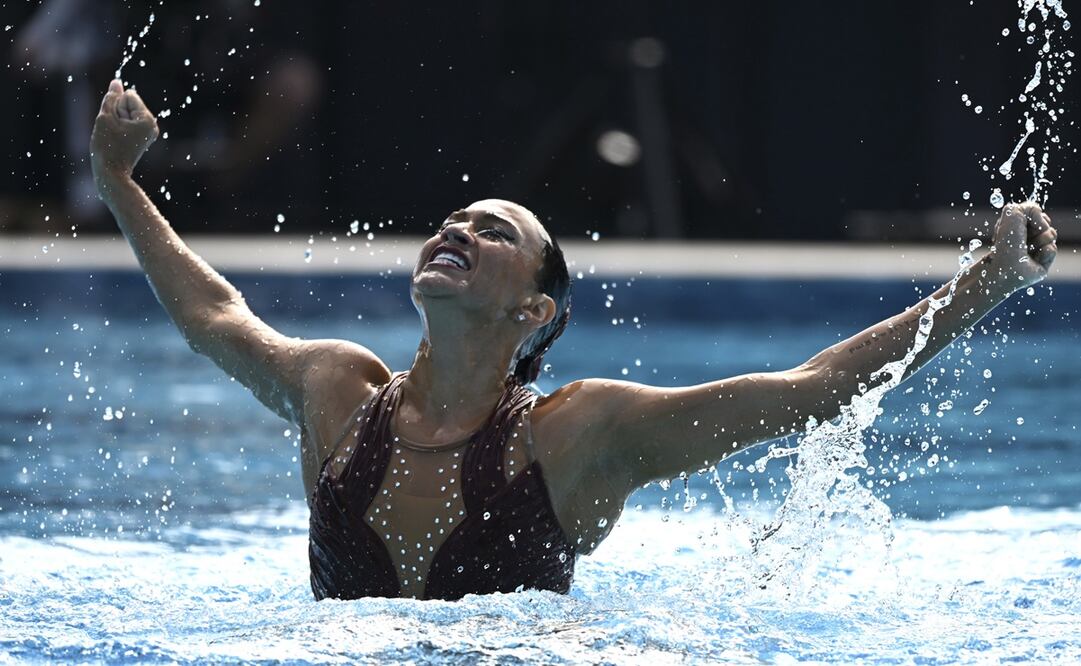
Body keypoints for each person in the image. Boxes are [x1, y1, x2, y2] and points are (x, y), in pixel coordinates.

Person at [90, 79, 1059, 600]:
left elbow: (810, 388)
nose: (457, 230)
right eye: (453, 220)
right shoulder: (337, 392)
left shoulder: (578, 434)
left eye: (493, 229)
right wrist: (121, 180)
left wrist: (982, 284)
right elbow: (215, 316)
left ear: (535, 310)